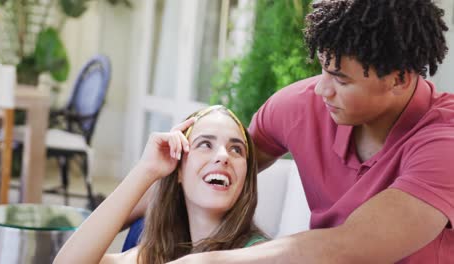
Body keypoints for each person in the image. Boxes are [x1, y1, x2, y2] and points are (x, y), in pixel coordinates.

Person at [168, 0, 454, 263]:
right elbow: (201, 172)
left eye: (341, 80)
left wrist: (208, 261)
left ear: (399, 79)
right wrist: (149, 173)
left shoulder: (445, 143)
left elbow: (350, 246)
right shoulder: (299, 106)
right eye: (323, 69)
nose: (321, 89)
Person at [53, 105, 267, 264]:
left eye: (236, 149)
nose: (223, 156)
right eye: (205, 144)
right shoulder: (165, 251)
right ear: (179, 171)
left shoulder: (258, 254)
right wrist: (145, 170)